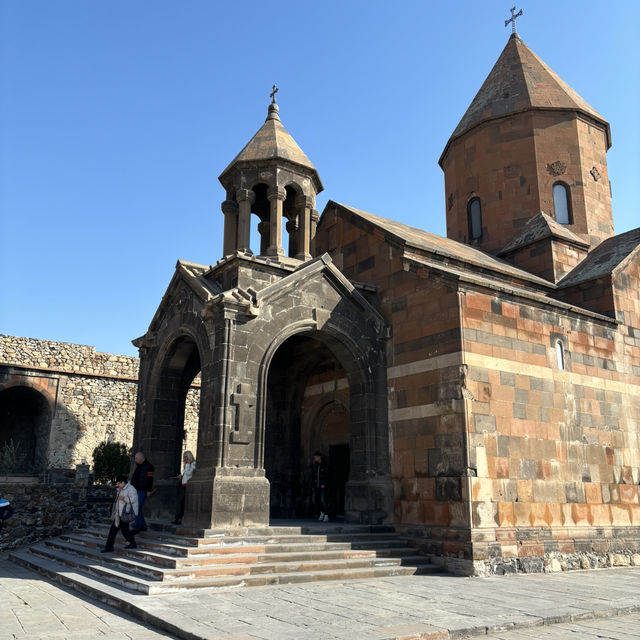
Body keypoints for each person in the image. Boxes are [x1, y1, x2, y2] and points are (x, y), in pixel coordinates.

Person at [101, 475, 138, 553]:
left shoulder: (131, 489)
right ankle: (109, 547)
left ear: (123, 482)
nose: (117, 485)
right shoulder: (120, 489)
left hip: (125, 514)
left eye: (118, 483)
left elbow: (134, 500)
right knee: (114, 531)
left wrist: (124, 499)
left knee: (124, 531)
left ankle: (132, 543)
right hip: (118, 514)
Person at [130, 451, 154, 534]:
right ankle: (142, 525)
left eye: (136, 458)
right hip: (136, 489)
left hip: (143, 490)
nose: (135, 459)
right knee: (136, 507)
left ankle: (136, 527)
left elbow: (150, 480)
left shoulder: (149, 467)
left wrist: (148, 490)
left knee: (137, 507)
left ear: (141, 458)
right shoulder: (138, 466)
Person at [172, 450, 195, 525]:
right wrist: (181, 476)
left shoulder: (193, 464)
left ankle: (180, 518)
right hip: (183, 485)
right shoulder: (186, 465)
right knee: (180, 503)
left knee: (183, 503)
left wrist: (187, 464)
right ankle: (178, 518)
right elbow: (185, 474)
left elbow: (189, 473)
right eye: (184, 457)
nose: (185, 459)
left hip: (188, 486)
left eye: (186, 457)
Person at [311, 451, 329, 522]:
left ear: (319, 457)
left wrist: (324, 483)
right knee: (317, 500)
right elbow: (314, 475)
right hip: (316, 486)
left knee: (323, 500)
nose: (315, 459)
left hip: (323, 486)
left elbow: (327, 475)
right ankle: (322, 513)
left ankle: (326, 514)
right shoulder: (315, 465)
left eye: (316, 457)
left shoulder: (324, 465)